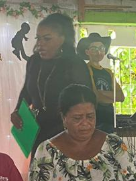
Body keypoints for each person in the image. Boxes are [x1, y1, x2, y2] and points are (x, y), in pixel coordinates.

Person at [11, 13, 92, 158]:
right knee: (39, 169)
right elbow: (27, 92)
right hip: (38, 129)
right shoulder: (34, 61)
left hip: (66, 131)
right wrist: (17, 110)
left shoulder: (75, 64)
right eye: (38, 38)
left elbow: (86, 101)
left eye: (47, 39)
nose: (40, 44)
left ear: (63, 39)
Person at [77, 32, 125, 133]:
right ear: (87, 52)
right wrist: (111, 96)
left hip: (109, 117)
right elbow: (94, 96)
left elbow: (121, 96)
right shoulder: (86, 69)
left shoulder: (108, 72)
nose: (98, 52)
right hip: (95, 116)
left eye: (101, 48)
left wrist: (102, 93)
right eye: (94, 49)